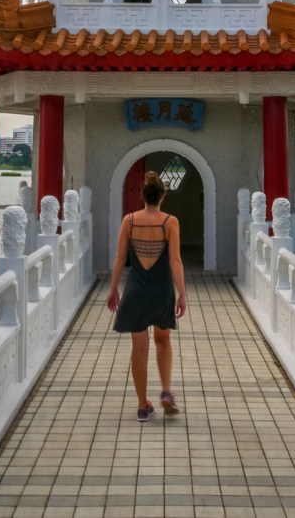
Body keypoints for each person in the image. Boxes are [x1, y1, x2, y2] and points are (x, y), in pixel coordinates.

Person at [107, 170, 187, 421]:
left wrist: (113, 289)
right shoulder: (170, 222)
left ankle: (143, 405)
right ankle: (165, 391)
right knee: (163, 341)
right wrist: (182, 294)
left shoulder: (129, 221)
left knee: (139, 349)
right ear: (162, 197)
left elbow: (120, 258)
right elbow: (175, 260)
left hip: (136, 290)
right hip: (161, 289)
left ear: (142, 195)